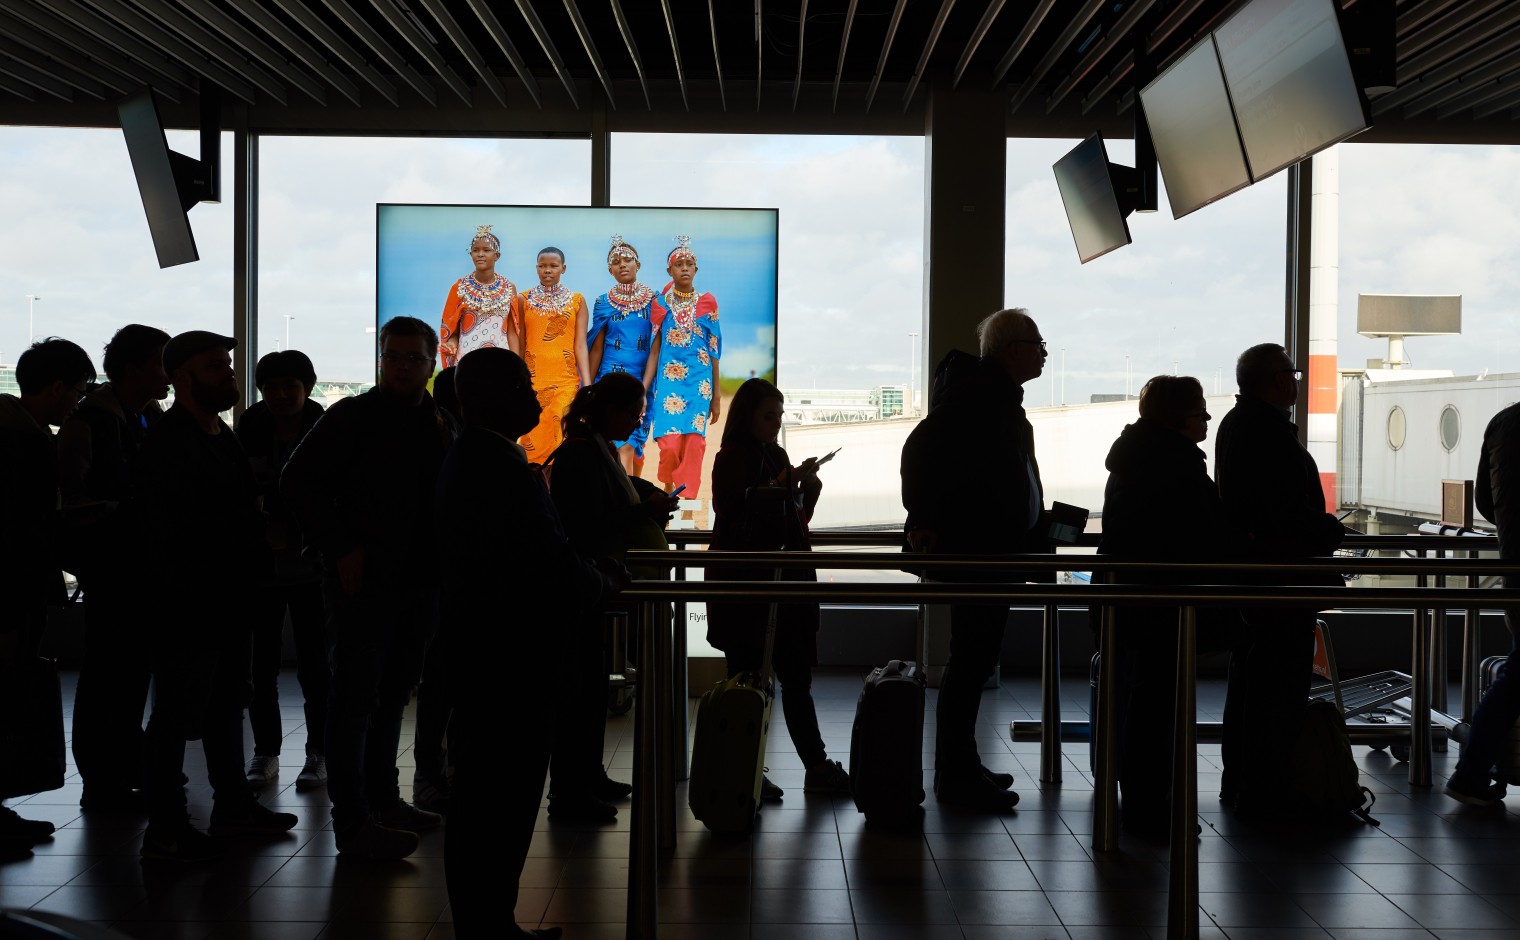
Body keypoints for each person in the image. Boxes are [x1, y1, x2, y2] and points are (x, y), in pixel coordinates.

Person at [437, 347, 622, 940]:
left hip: (495, 658)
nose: (535, 398)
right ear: (484, 397)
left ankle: (490, 920)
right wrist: (598, 584)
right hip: (508, 662)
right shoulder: (493, 465)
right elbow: (546, 558)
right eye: (522, 386)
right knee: (497, 800)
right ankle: (487, 924)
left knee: (492, 800)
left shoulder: (481, 457)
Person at [282, 315, 457, 859]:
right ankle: (352, 820)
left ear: (432, 364)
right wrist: (340, 546)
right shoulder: (351, 417)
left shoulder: (439, 422)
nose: (402, 366)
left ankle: (383, 800)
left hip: (419, 582)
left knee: (392, 697)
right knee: (356, 699)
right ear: (381, 359)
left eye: (413, 358)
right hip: (363, 583)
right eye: (393, 356)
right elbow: (297, 482)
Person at [132, 331, 298, 860]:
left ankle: (230, 807)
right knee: (177, 715)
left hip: (225, 598)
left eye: (226, 364)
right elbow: (171, 532)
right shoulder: (170, 443)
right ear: (182, 377)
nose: (228, 374)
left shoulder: (214, 433)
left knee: (227, 704)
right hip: (190, 602)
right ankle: (167, 828)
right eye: (214, 367)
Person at [900, 308, 1051, 811]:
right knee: (970, 663)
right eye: (1037, 343)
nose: (1044, 353)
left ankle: (959, 766)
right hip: (981, 553)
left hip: (991, 550)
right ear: (1012, 350)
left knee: (972, 662)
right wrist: (925, 517)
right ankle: (957, 775)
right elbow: (922, 453)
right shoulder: (981, 399)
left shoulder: (989, 397)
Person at [1098, 375, 1242, 840]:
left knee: (1140, 699)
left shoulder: (1137, 456)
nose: (1207, 418)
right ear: (1178, 415)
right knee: (1156, 704)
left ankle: (1136, 798)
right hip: (1163, 600)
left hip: (1132, 595)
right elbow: (1201, 532)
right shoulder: (1175, 464)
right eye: (1200, 410)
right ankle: (1148, 807)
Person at [1214, 343, 1344, 817]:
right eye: (1292, 373)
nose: (1296, 381)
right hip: (1281, 582)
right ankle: (1267, 787)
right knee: (1277, 685)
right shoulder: (1266, 433)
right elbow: (1283, 512)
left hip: (1259, 581)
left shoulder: (1239, 425)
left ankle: (1246, 780)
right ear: (1276, 380)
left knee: (1253, 681)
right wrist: (1329, 528)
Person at [705, 378, 851, 798]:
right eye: (769, 416)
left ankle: (808, 765)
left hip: (780, 583)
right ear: (747, 416)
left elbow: (791, 521)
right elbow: (731, 509)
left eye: (780, 415)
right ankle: (748, 769)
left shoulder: (775, 455)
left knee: (793, 677)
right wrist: (781, 485)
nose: (776, 423)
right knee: (748, 680)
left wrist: (804, 493)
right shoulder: (733, 457)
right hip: (748, 585)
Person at [546, 373, 677, 820]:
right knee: (578, 692)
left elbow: (612, 501)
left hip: (595, 584)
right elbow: (593, 522)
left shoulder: (593, 450)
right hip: (585, 583)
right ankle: (569, 790)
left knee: (591, 687)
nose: (638, 423)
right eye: (635, 414)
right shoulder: (581, 456)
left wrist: (644, 500)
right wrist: (646, 511)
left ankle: (588, 776)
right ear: (614, 411)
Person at [56, 324, 169, 813]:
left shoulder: (143, 416)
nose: (168, 374)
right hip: (112, 571)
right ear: (133, 369)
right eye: (161, 363)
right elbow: (70, 504)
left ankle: (122, 771)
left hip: (135, 569)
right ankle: (103, 781)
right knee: (109, 677)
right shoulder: (95, 424)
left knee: (127, 677)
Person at [0, 338, 96, 853]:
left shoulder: (20, 432)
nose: (79, 402)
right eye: (79, 391)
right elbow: (25, 530)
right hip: (12, 594)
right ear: (58, 388)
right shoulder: (22, 443)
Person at [236, 350, 329, 792]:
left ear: (306, 387)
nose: (279, 395)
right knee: (263, 666)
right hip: (264, 564)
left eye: (288, 386)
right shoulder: (250, 426)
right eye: (270, 387)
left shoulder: (326, 428)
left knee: (316, 666)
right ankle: (266, 751)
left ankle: (319, 751)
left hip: (312, 564)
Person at [1445, 402, 1520, 806]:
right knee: (1516, 677)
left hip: (1515, 563)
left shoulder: (1504, 421)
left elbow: (1485, 502)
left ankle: (1475, 771)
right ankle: (1470, 773)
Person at [588, 235, 668, 475]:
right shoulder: (603, 302)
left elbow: (656, 347)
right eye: (616, 261)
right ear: (610, 270)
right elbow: (597, 347)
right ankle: (624, 502)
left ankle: (633, 498)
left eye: (627, 259)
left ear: (638, 265)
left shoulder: (655, 300)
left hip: (643, 382)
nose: (622, 264)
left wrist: (643, 389)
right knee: (621, 445)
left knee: (635, 446)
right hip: (610, 381)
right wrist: (589, 387)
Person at [650, 235, 722, 497]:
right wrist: (645, 387)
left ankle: (686, 499)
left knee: (694, 442)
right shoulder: (659, 304)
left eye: (689, 263)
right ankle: (669, 482)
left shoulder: (708, 302)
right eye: (678, 264)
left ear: (696, 269)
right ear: (669, 270)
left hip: (700, 382)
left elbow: (714, 348)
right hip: (668, 381)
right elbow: (654, 347)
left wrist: (716, 395)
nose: (684, 268)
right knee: (669, 444)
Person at [517, 246, 591, 463]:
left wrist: (586, 386)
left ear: (563, 268)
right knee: (533, 435)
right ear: (536, 268)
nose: (547, 270)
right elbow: (521, 343)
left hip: (566, 380)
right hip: (533, 380)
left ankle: (559, 490)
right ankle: (537, 488)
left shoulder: (577, 301)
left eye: (553, 266)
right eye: (542, 266)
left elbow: (580, 346)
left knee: (561, 432)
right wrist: (520, 379)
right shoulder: (523, 299)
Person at [439, 224, 520, 370]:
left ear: (497, 256)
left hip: (501, 361)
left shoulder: (509, 288)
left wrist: (517, 366)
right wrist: (450, 345)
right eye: (476, 250)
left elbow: (512, 333)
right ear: (470, 254)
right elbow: (453, 331)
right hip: (467, 361)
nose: (480, 254)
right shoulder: (459, 288)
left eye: (486, 250)